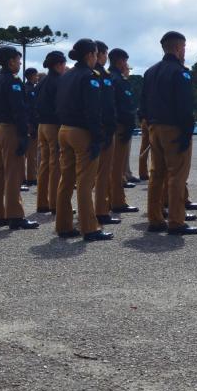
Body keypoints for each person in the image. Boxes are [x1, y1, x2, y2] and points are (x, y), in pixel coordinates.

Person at [140, 31, 197, 235]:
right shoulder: (180, 72)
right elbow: (185, 106)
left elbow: (143, 104)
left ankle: (155, 219)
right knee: (177, 175)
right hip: (174, 128)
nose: (184, 51)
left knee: (156, 175)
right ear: (177, 47)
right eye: (184, 47)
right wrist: (186, 132)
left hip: (154, 127)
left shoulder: (150, 72)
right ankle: (176, 221)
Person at [55, 39, 113, 241]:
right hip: (82, 132)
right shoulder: (90, 77)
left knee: (66, 180)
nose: (97, 58)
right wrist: (98, 137)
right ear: (90, 55)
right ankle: (89, 228)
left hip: (64, 130)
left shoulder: (66, 75)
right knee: (85, 183)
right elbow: (93, 111)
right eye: (96, 54)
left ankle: (63, 225)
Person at [0, 46, 39, 230]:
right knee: (14, 173)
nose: (19, 63)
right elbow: (18, 109)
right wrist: (23, 133)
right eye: (18, 60)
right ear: (10, 61)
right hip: (11, 129)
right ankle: (15, 216)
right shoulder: (13, 81)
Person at [108, 47, 140, 214]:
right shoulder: (117, 80)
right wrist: (127, 124)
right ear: (120, 61)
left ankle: (110, 198)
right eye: (125, 61)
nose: (126, 64)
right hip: (120, 125)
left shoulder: (112, 77)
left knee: (114, 165)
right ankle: (117, 201)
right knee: (117, 166)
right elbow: (121, 106)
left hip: (117, 124)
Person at [93, 40, 121, 225]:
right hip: (103, 128)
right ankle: (101, 210)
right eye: (104, 54)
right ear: (99, 54)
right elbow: (104, 105)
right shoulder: (99, 75)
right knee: (102, 172)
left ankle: (99, 208)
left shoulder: (93, 74)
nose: (105, 57)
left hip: (96, 128)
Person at [35, 51, 66, 213]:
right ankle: (55, 202)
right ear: (58, 65)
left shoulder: (42, 81)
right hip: (54, 125)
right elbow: (61, 105)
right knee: (56, 165)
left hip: (42, 125)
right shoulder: (59, 81)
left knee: (44, 164)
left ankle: (42, 202)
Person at [23, 67, 40, 187]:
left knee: (31, 153)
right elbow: (29, 109)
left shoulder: (30, 88)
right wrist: (31, 125)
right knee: (31, 153)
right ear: (31, 76)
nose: (37, 77)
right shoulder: (28, 89)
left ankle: (30, 175)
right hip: (31, 124)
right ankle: (31, 177)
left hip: (32, 123)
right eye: (35, 75)